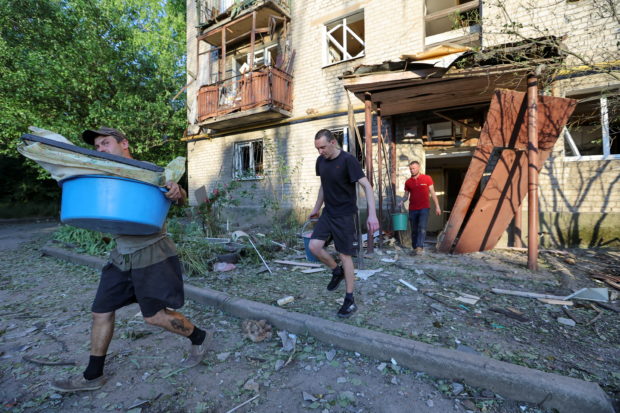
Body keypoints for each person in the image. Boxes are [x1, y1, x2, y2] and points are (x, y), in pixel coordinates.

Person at [51, 127, 208, 392]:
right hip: (120, 254)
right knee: (100, 311)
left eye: (105, 143)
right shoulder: (98, 172)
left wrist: (175, 190)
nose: (100, 149)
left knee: (154, 317)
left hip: (152, 251)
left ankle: (200, 336)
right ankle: (93, 376)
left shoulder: (147, 171)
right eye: (97, 146)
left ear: (124, 143)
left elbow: (177, 195)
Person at [308, 129, 379, 318]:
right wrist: (316, 208)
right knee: (314, 247)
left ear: (333, 142)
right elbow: (324, 185)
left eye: (322, 147)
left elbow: (367, 185)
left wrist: (372, 215)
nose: (320, 151)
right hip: (328, 213)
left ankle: (349, 300)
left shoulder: (348, 160)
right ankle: (336, 271)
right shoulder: (320, 161)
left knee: (345, 255)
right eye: (317, 148)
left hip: (346, 216)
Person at [398, 160, 441, 255]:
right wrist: (402, 201)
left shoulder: (427, 178)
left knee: (422, 228)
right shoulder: (408, 182)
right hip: (412, 209)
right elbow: (406, 195)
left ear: (418, 168)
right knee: (414, 229)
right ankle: (415, 247)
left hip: (424, 208)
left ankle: (419, 247)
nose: (412, 170)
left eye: (413, 168)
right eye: (410, 169)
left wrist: (437, 206)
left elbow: (433, 193)